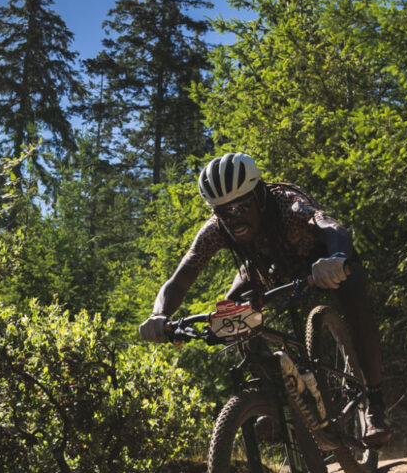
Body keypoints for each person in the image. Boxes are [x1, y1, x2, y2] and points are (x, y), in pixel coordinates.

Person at [139, 152, 391, 447]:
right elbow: (182, 276)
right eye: (224, 211)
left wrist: (335, 257)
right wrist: (159, 315)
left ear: (259, 196)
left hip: (321, 260)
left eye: (241, 206)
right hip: (269, 269)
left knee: (356, 303)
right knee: (230, 315)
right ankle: (273, 398)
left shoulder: (286, 203)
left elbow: (331, 228)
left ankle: (375, 406)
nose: (234, 218)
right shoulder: (216, 228)